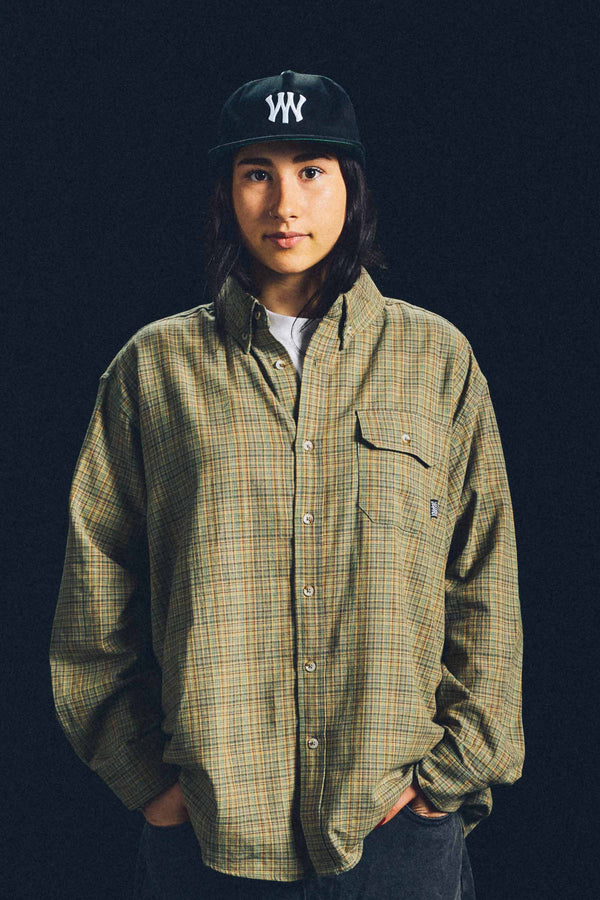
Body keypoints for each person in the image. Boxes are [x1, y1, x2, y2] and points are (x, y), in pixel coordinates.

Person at [50, 70, 524, 899]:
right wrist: (148, 781)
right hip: (209, 839)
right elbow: (96, 596)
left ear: (351, 186)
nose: (284, 204)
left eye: (311, 170)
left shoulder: (437, 361)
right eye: (257, 173)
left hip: (397, 837)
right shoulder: (152, 371)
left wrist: (445, 780)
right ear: (227, 192)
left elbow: (484, 585)